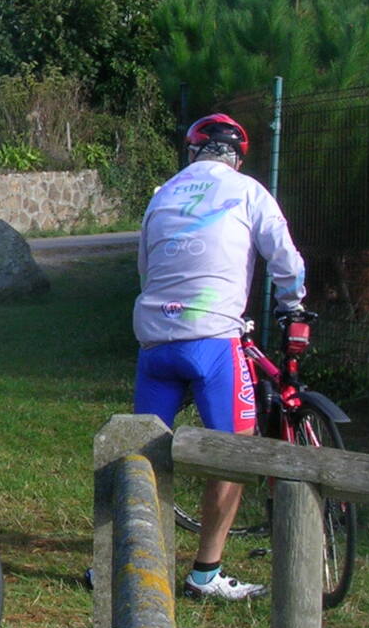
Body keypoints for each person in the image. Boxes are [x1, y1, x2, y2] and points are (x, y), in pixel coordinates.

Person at [132, 113, 308, 601]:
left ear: (193, 153)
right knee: (235, 453)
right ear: (237, 158)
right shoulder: (248, 191)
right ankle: (205, 574)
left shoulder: (162, 195)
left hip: (154, 337)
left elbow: (145, 267)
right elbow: (285, 257)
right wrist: (293, 304)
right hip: (212, 339)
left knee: (141, 455)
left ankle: (123, 562)